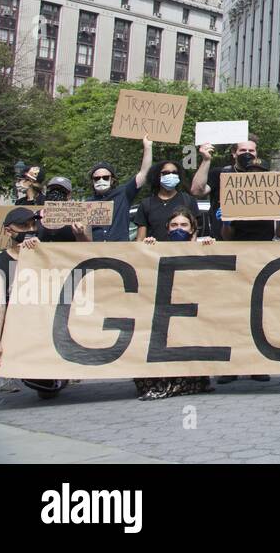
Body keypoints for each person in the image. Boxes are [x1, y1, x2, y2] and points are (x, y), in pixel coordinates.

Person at [132, 207, 215, 401]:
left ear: (192, 229)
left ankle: (190, 381)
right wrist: (146, 248)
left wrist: (212, 248)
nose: (179, 229)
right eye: (174, 225)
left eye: (184, 225)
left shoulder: (202, 247)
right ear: (167, 228)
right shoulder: (157, 249)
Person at [191, 135, 280, 241]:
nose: (247, 153)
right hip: (225, 244)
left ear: (256, 153)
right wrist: (206, 160)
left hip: (263, 244)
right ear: (234, 153)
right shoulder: (220, 174)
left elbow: (279, 229)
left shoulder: (267, 178)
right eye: (243, 150)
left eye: (251, 150)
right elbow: (196, 191)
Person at [0, 208, 40, 392]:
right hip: (16, 330)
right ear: (8, 231)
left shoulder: (46, 254)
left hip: (42, 328)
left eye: (33, 225)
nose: (30, 229)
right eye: (24, 226)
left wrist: (41, 252)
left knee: (47, 389)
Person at [86, 135, 153, 242]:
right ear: (92, 181)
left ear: (112, 180)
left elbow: (144, 173)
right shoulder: (87, 204)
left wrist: (148, 147)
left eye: (105, 177)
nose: (101, 180)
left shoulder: (123, 193)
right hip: (96, 250)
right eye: (97, 178)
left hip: (120, 249)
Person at [134, 161, 200, 242]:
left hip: (181, 249)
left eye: (174, 173)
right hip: (155, 249)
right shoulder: (146, 204)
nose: (171, 176)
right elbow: (140, 238)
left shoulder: (188, 200)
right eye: (166, 173)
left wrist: (191, 249)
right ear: (157, 176)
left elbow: (193, 234)